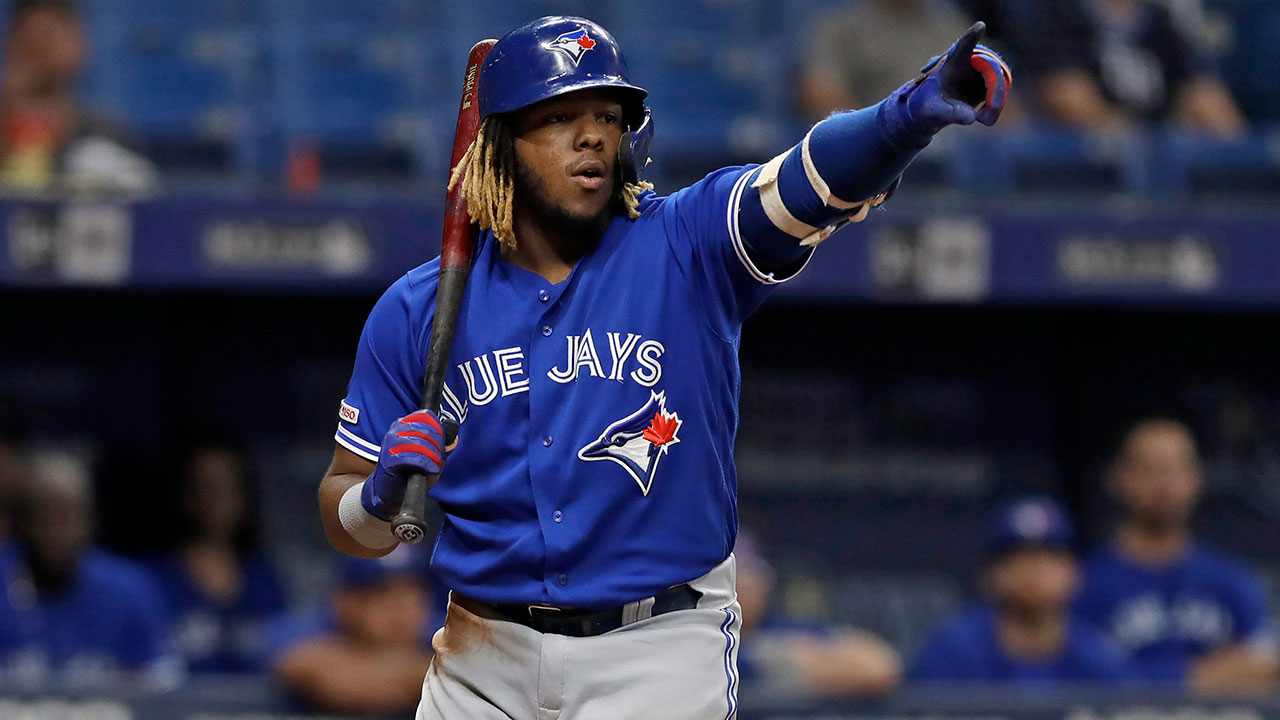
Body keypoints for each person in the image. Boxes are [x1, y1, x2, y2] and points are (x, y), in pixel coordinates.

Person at [319, 15, 1010, 718]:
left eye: (607, 116)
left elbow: (804, 182)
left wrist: (903, 119)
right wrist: (377, 500)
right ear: (499, 145)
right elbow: (346, 517)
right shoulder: (418, 308)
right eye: (560, 116)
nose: (592, 134)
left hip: (654, 649)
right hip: (481, 650)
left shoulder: (688, 242)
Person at [1075, 418, 1279, 695]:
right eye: (1150, 469)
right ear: (1119, 477)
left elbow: (1266, 667)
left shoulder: (1231, 581)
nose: (1164, 484)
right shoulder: (1083, 584)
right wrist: (1197, 677)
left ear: (1196, 478)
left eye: (1175, 469)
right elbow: (1078, 679)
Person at [0, 451, 181, 689]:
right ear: (23, 521)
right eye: (44, 515)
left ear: (89, 520)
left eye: (66, 516)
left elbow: (163, 690)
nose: (55, 531)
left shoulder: (130, 590)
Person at [911, 497, 1132, 684]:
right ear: (991, 575)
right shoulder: (953, 652)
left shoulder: (1099, 659)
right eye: (1019, 557)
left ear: (1075, 574)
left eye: (1050, 556)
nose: (1035, 568)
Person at [144, 441, 288, 674]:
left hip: (253, 709)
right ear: (184, 493)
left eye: (228, 486)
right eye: (205, 486)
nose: (217, 498)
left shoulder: (265, 581)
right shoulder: (152, 582)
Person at [1003, 0, 1244, 136]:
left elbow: (1201, 94)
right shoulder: (1056, 15)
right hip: (1083, 166)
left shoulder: (1161, 23)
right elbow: (1068, 99)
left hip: (1154, 148)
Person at [263, 545, 437, 716]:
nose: (402, 610)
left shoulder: (440, 629)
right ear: (345, 601)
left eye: (413, 593)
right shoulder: (305, 627)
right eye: (383, 594)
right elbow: (343, 684)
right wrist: (428, 673)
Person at [0, 0, 155, 192]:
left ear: (80, 45)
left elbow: (142, 198)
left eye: (50, 38)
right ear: (10, 46)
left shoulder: (103, 134)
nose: (42, 52)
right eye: (30, 41)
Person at [735, 530, 902, 697]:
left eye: (754, 570)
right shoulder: (718, 644)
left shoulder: (777, 626)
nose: (752, 583)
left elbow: (879, 668)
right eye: (740, 572)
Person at [799, 0, 973, 118]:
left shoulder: (951, 27)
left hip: (952, 148)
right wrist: (874, 130)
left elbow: (992, 91)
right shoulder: (843, 30)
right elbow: (819, 94)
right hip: (882, 148)